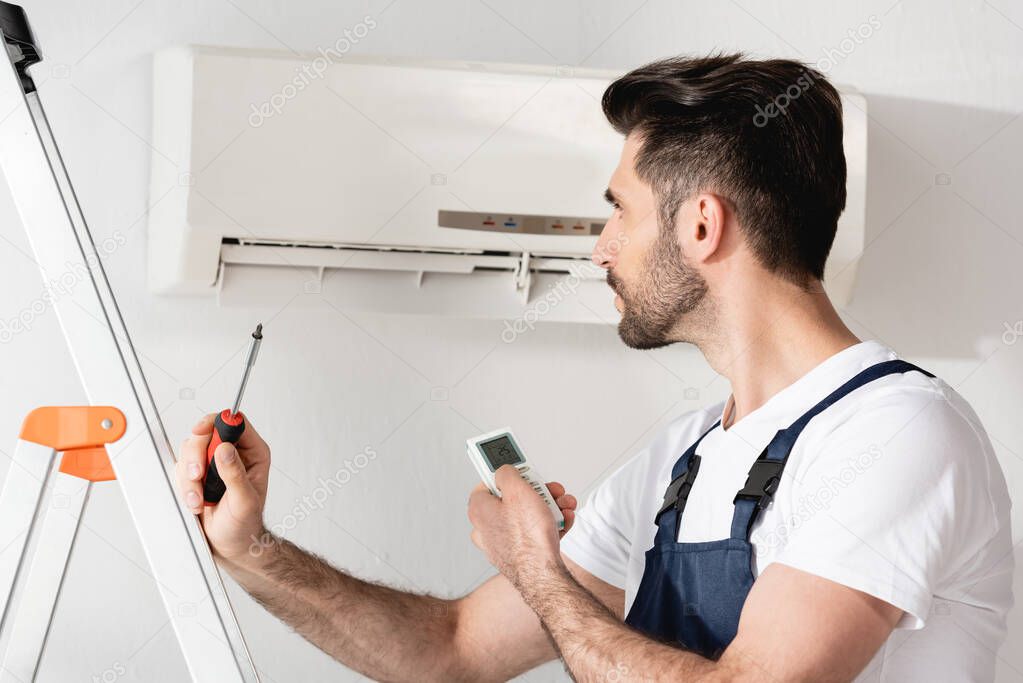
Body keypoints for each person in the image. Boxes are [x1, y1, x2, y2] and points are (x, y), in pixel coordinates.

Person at [176, 54, 1013, 682]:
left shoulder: (895, 432)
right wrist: (252, 548)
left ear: (700, 227)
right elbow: (450, 651)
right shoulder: (681, 458)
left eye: (617, 211)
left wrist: (536, 567)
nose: (600, 247)